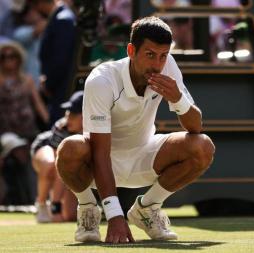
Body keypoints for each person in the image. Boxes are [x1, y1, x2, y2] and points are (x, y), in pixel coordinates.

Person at [56, 16, 215, 243]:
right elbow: (100, 153)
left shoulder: (168, 66)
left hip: (144, 156)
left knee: (202, 146)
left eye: (163, 56)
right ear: (131, 50)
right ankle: (88, 208)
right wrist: (114, 216)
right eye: (150, 55)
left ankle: (147, 208)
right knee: (70, 148)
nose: (157, 64)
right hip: (100, 161)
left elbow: (195, 126)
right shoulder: (101, 80)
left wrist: (178, 99)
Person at [31, 91, 82, 223]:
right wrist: (56, 207)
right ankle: (41, 205)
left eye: (74, 113)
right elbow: (58, 168)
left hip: (69, 171)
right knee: (50, 165)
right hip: (44, 148)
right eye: (68, 111)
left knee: (69, 216)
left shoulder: (96, 130)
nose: (68, 117)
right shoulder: (62, 127)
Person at [31, 0, 76, 125]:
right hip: (58, 87)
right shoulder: (60, 17)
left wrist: (49, 83)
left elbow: (60, 60)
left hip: (61, 88)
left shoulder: (63, 20)